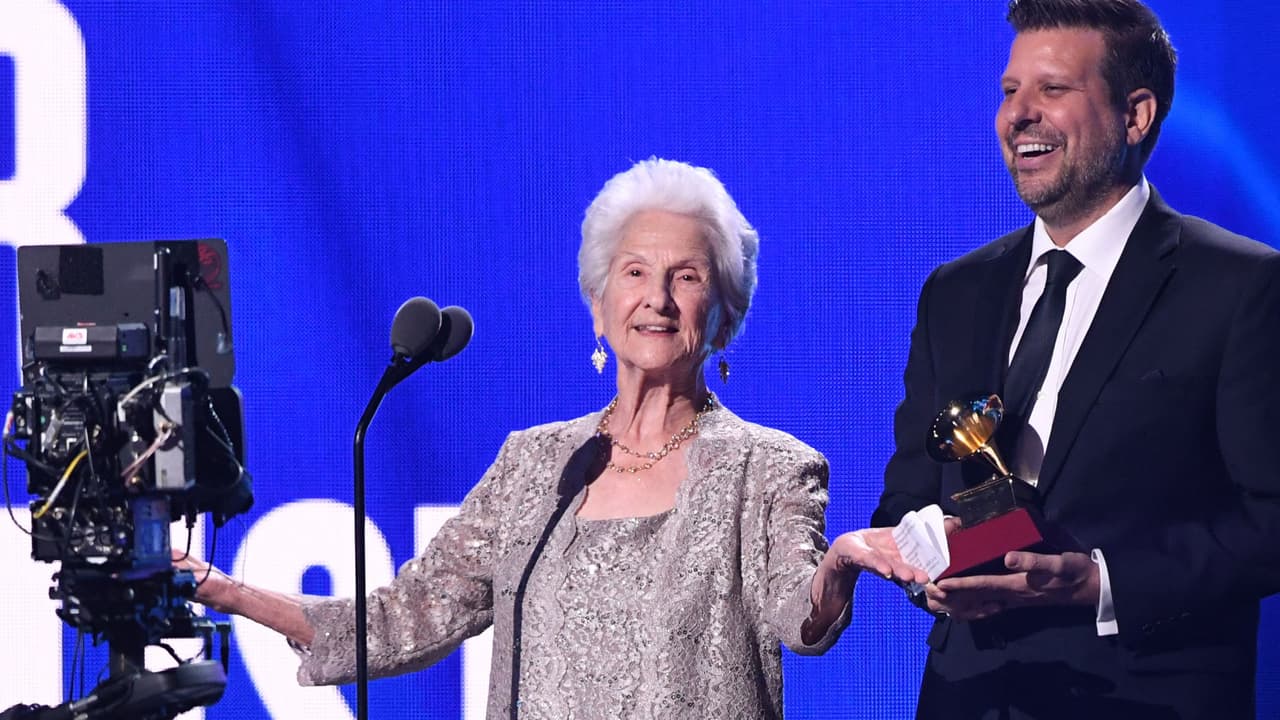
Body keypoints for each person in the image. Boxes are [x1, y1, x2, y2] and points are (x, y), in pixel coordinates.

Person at [179, 157, 927, 719]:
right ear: (598, 306)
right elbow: (409, 616)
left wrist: (839, 563)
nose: (657, 299)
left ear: (725, 314)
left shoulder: (772, 469)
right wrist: (226, 590)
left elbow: (800, 621)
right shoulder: (533, 463)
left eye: (687, 277)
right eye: (635, 272)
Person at [872, 0, 1280, 717]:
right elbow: (910, 494)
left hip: (1145, 697)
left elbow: (1271, 520)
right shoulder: (954, 292)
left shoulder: (1240, 287)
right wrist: (923, 561)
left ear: (1136, 115)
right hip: (971, 696)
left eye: (1052, 89)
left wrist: (1101, 584)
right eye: (1010, 91)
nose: (1018, 114)